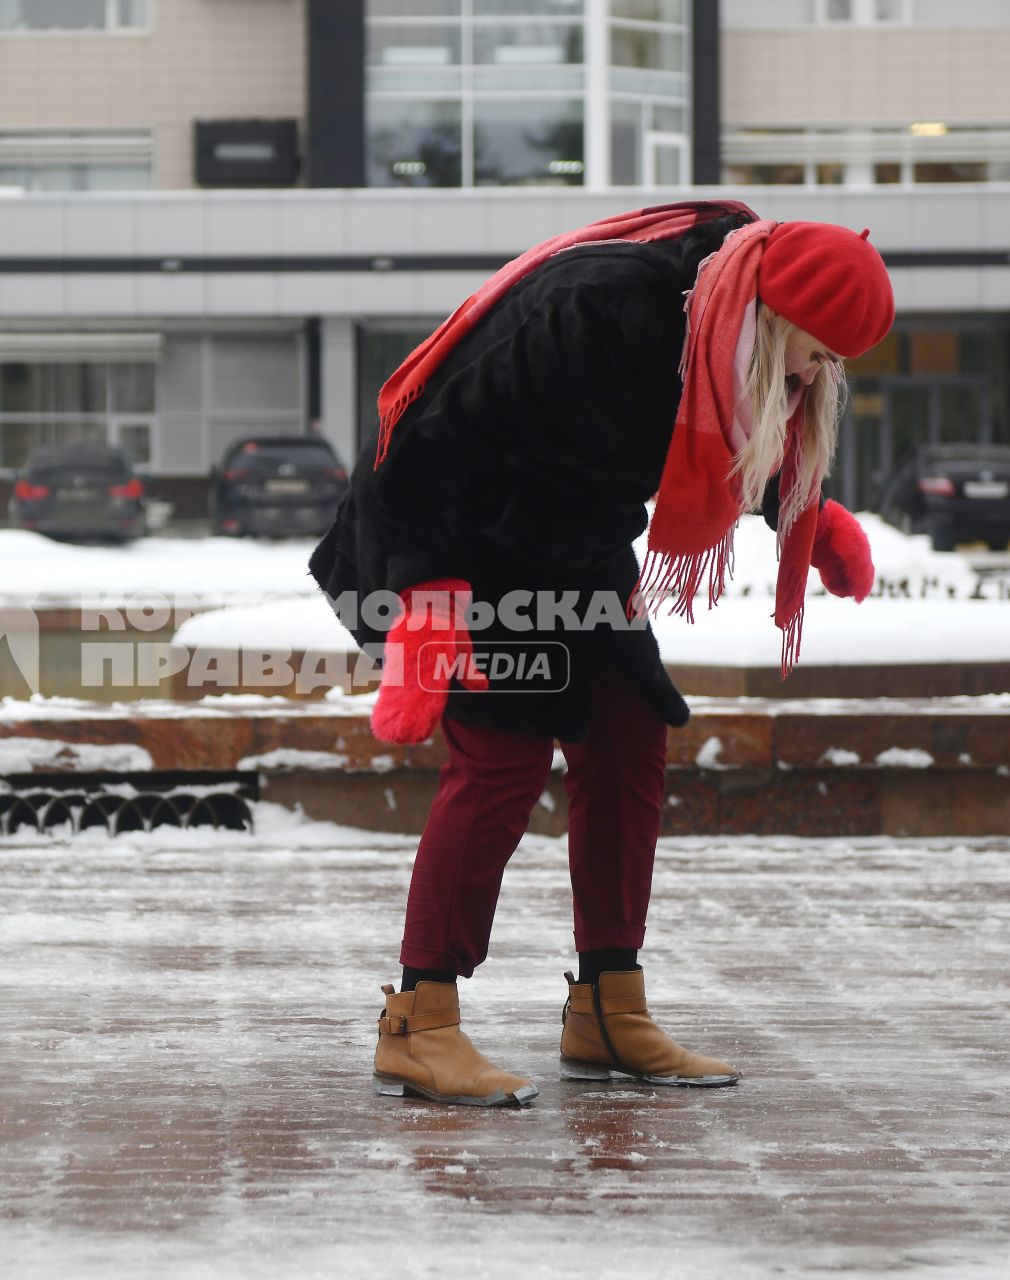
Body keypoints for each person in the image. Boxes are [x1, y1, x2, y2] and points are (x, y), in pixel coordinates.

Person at [309, 200, 892, 1107]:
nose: (814, 380)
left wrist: (803, 517)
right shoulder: (600, 312)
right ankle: (418, 1023)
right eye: (814, 354)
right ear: (774, 320)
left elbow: (726, 421)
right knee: (502, 761)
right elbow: (431, 443)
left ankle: (608, 1008)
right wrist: (427, 604)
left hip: (573, 545)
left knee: (628, 734)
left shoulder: (722, 320)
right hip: (460, 536)